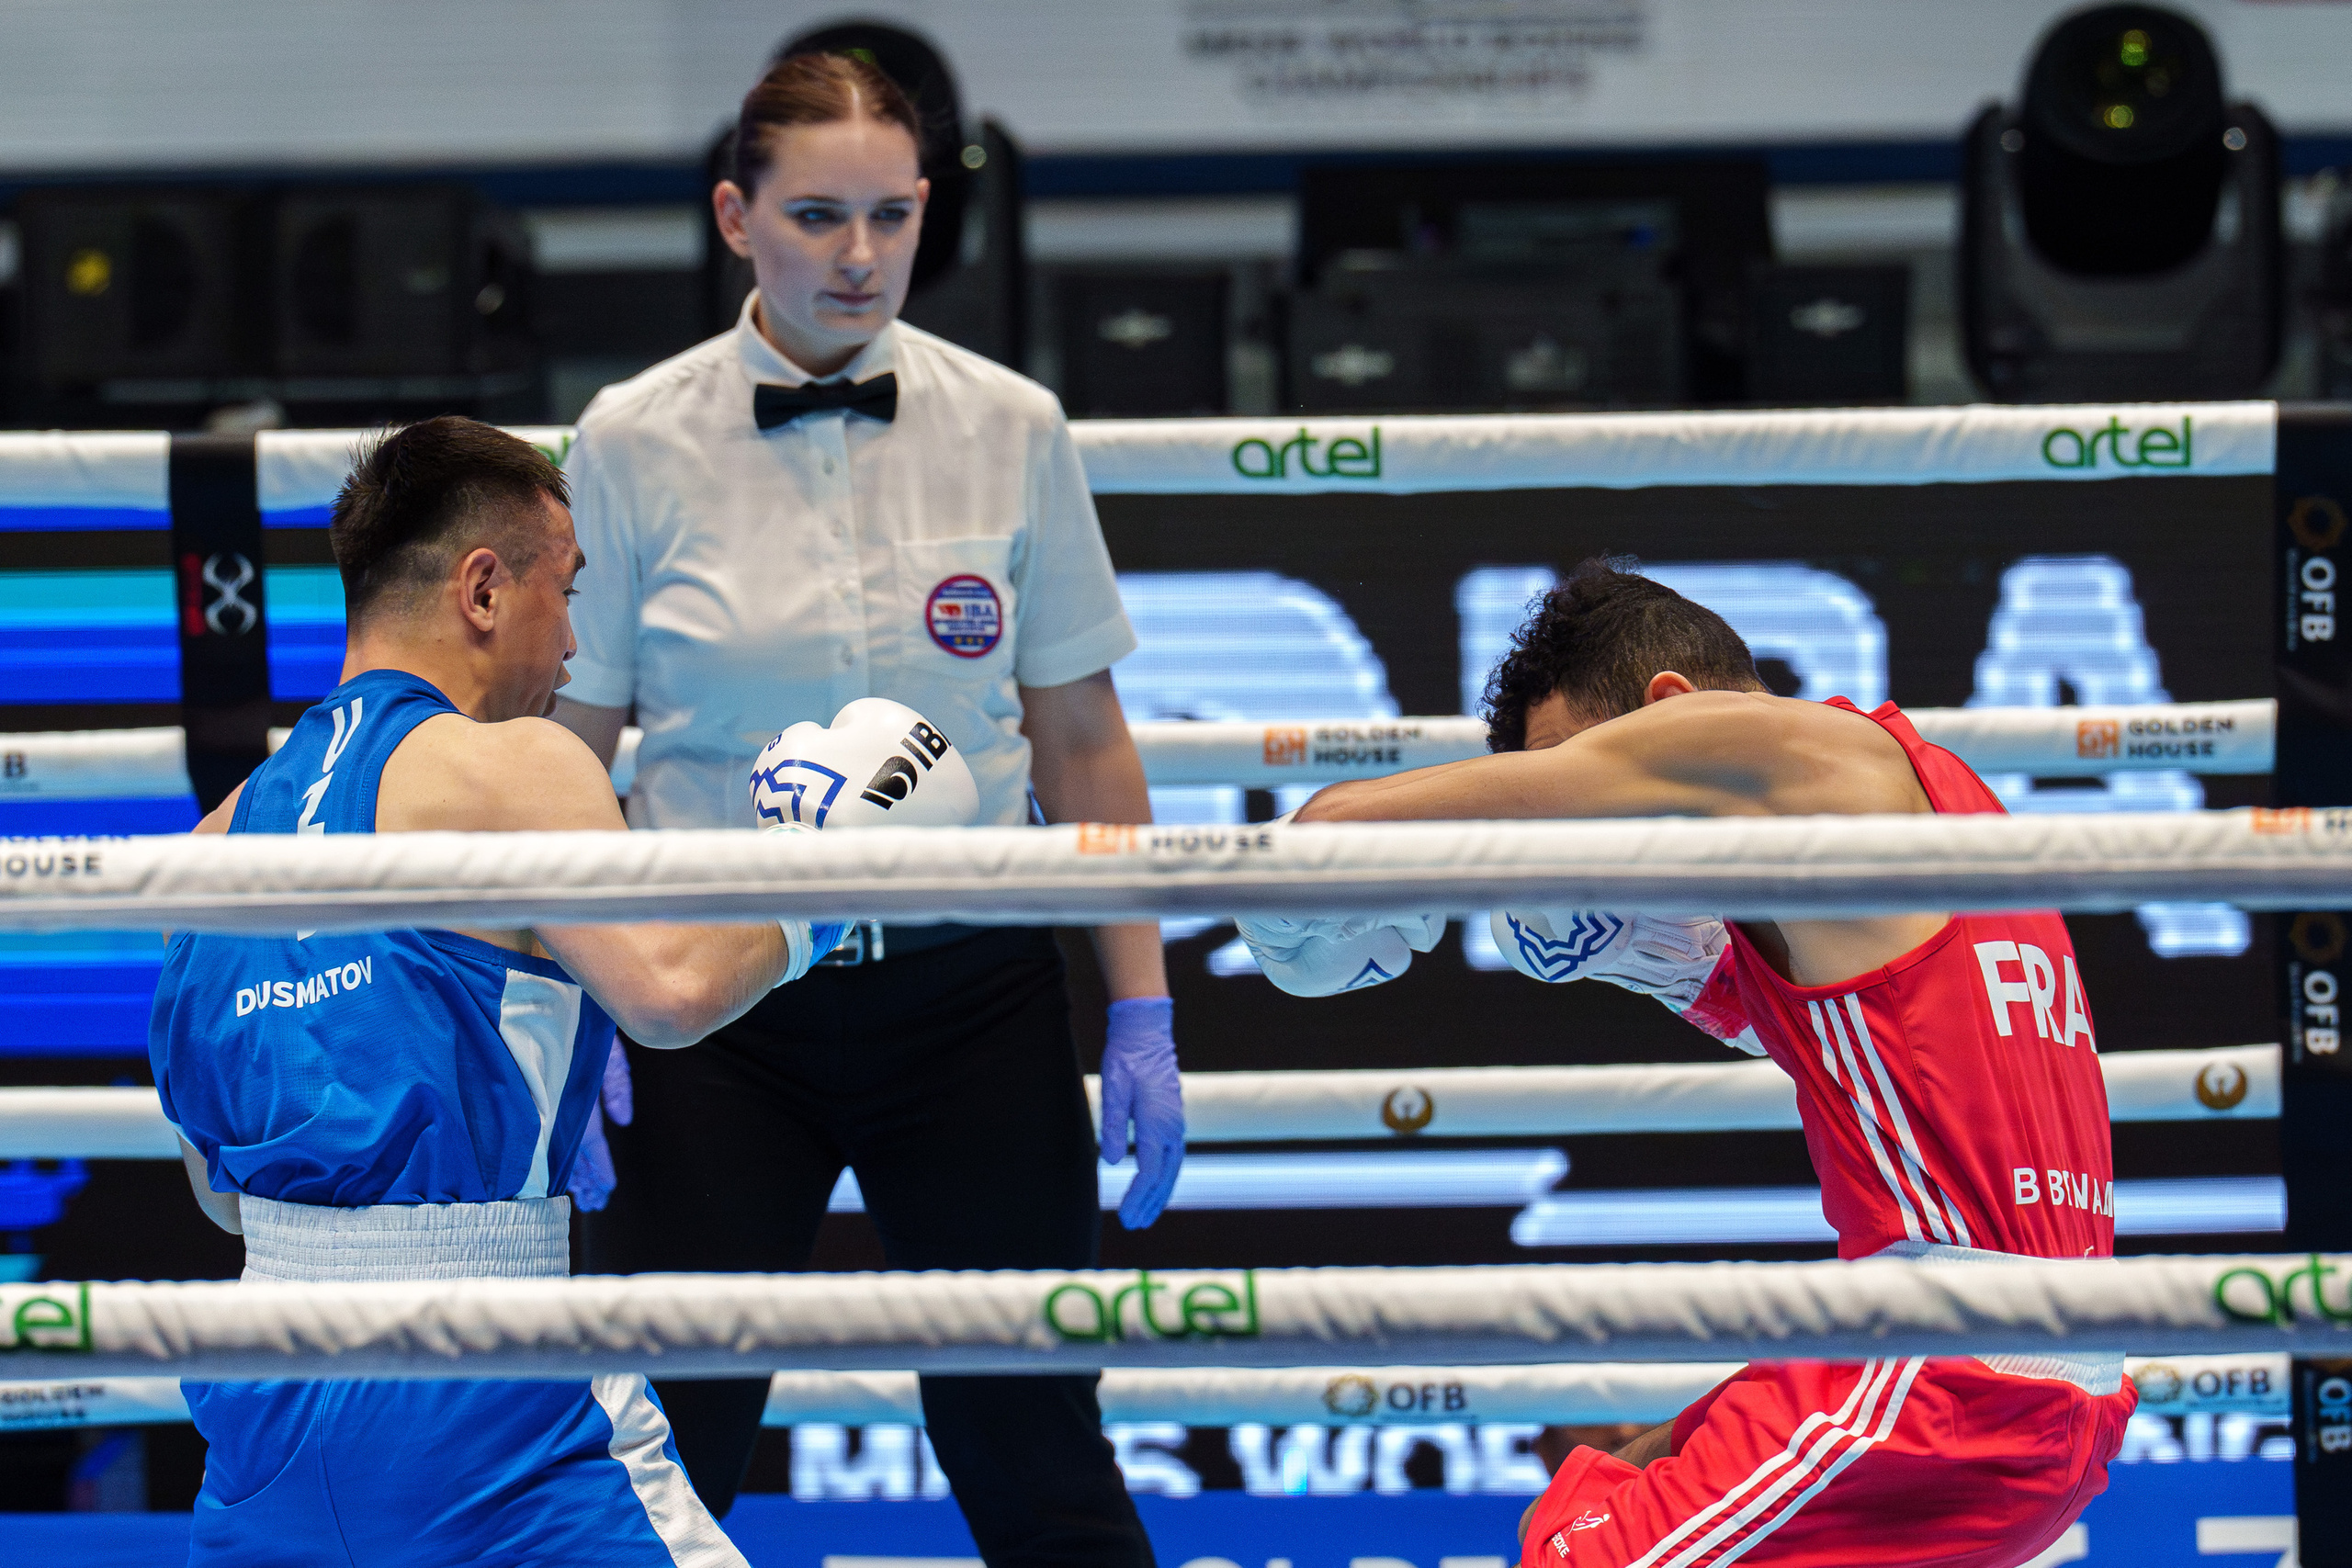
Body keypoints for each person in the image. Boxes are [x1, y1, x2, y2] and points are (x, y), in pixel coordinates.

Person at [549, 51, 1175, 1563]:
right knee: (665, 1440)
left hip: (972, 996)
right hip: (711, 1008)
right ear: (736, 217)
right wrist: (572, 998)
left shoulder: (1014, 424)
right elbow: (569, 747)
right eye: (817, 215)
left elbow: (1081, 735)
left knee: (1034, 1436)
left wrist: (1144, 1006)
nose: (859, 255)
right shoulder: (628, 439)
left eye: (891, 215)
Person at [1238, 560, 2135, 1568]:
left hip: (1946, 1374)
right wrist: (1649, 956)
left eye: (1580, 772)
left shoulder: (1769, 743)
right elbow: (1872, 1049)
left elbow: (1338, 830)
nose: (1566, 826)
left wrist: (1300, 871)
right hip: (2048, 1382)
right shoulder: (1922, 800)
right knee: (1607, 1478)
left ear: (1671, 708)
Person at [148, 417, 854, 1568]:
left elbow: (220, 1190)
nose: (573, 641)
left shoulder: (214, 839)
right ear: (483, 589)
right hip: (483, 1374)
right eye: (564, 592)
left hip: (261, 1385)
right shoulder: (512, 765)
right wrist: (828, 877)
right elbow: (670, 990)